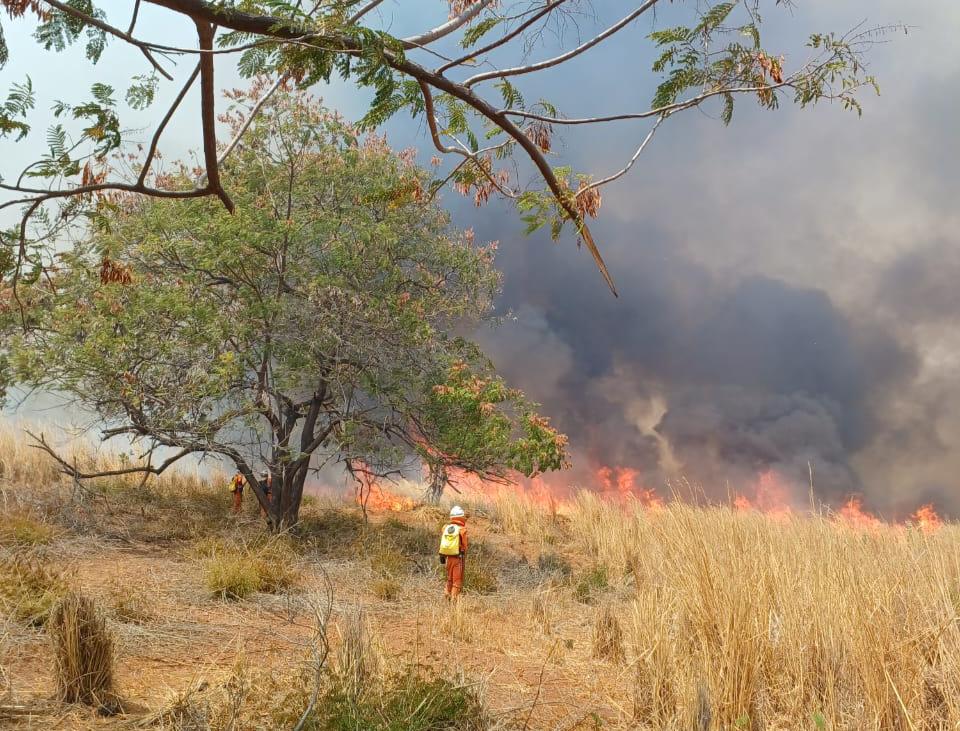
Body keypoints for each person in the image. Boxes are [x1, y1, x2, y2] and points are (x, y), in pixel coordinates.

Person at [438, 505, 468, 601]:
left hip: (447, 559)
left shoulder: (445, 528)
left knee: (449, 578)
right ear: (461, 517)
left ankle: (447, 593)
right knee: (457, 581)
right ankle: (454, 601)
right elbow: (465, 546)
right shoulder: (462, 530)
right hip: (457, 559)